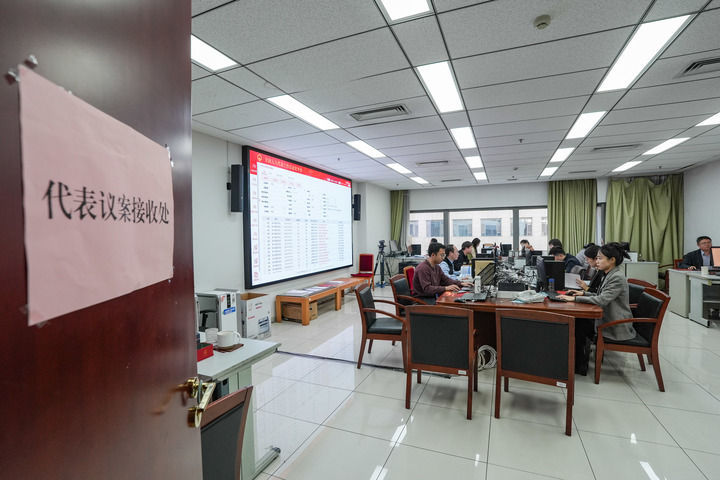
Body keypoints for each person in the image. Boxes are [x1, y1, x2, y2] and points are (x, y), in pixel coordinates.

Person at [557, 243, 635, 375]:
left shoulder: (617, 277)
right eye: (597, 258)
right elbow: (599, 294)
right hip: (608, 318)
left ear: (612, 260)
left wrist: (575, 299)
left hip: (614, 325)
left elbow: (601, 300)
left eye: (600, 258)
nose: (597, 261)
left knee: (578, 324)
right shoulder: (609, 274)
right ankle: (576, 361)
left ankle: (579, 366)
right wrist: (583, 293)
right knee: (578, 322)